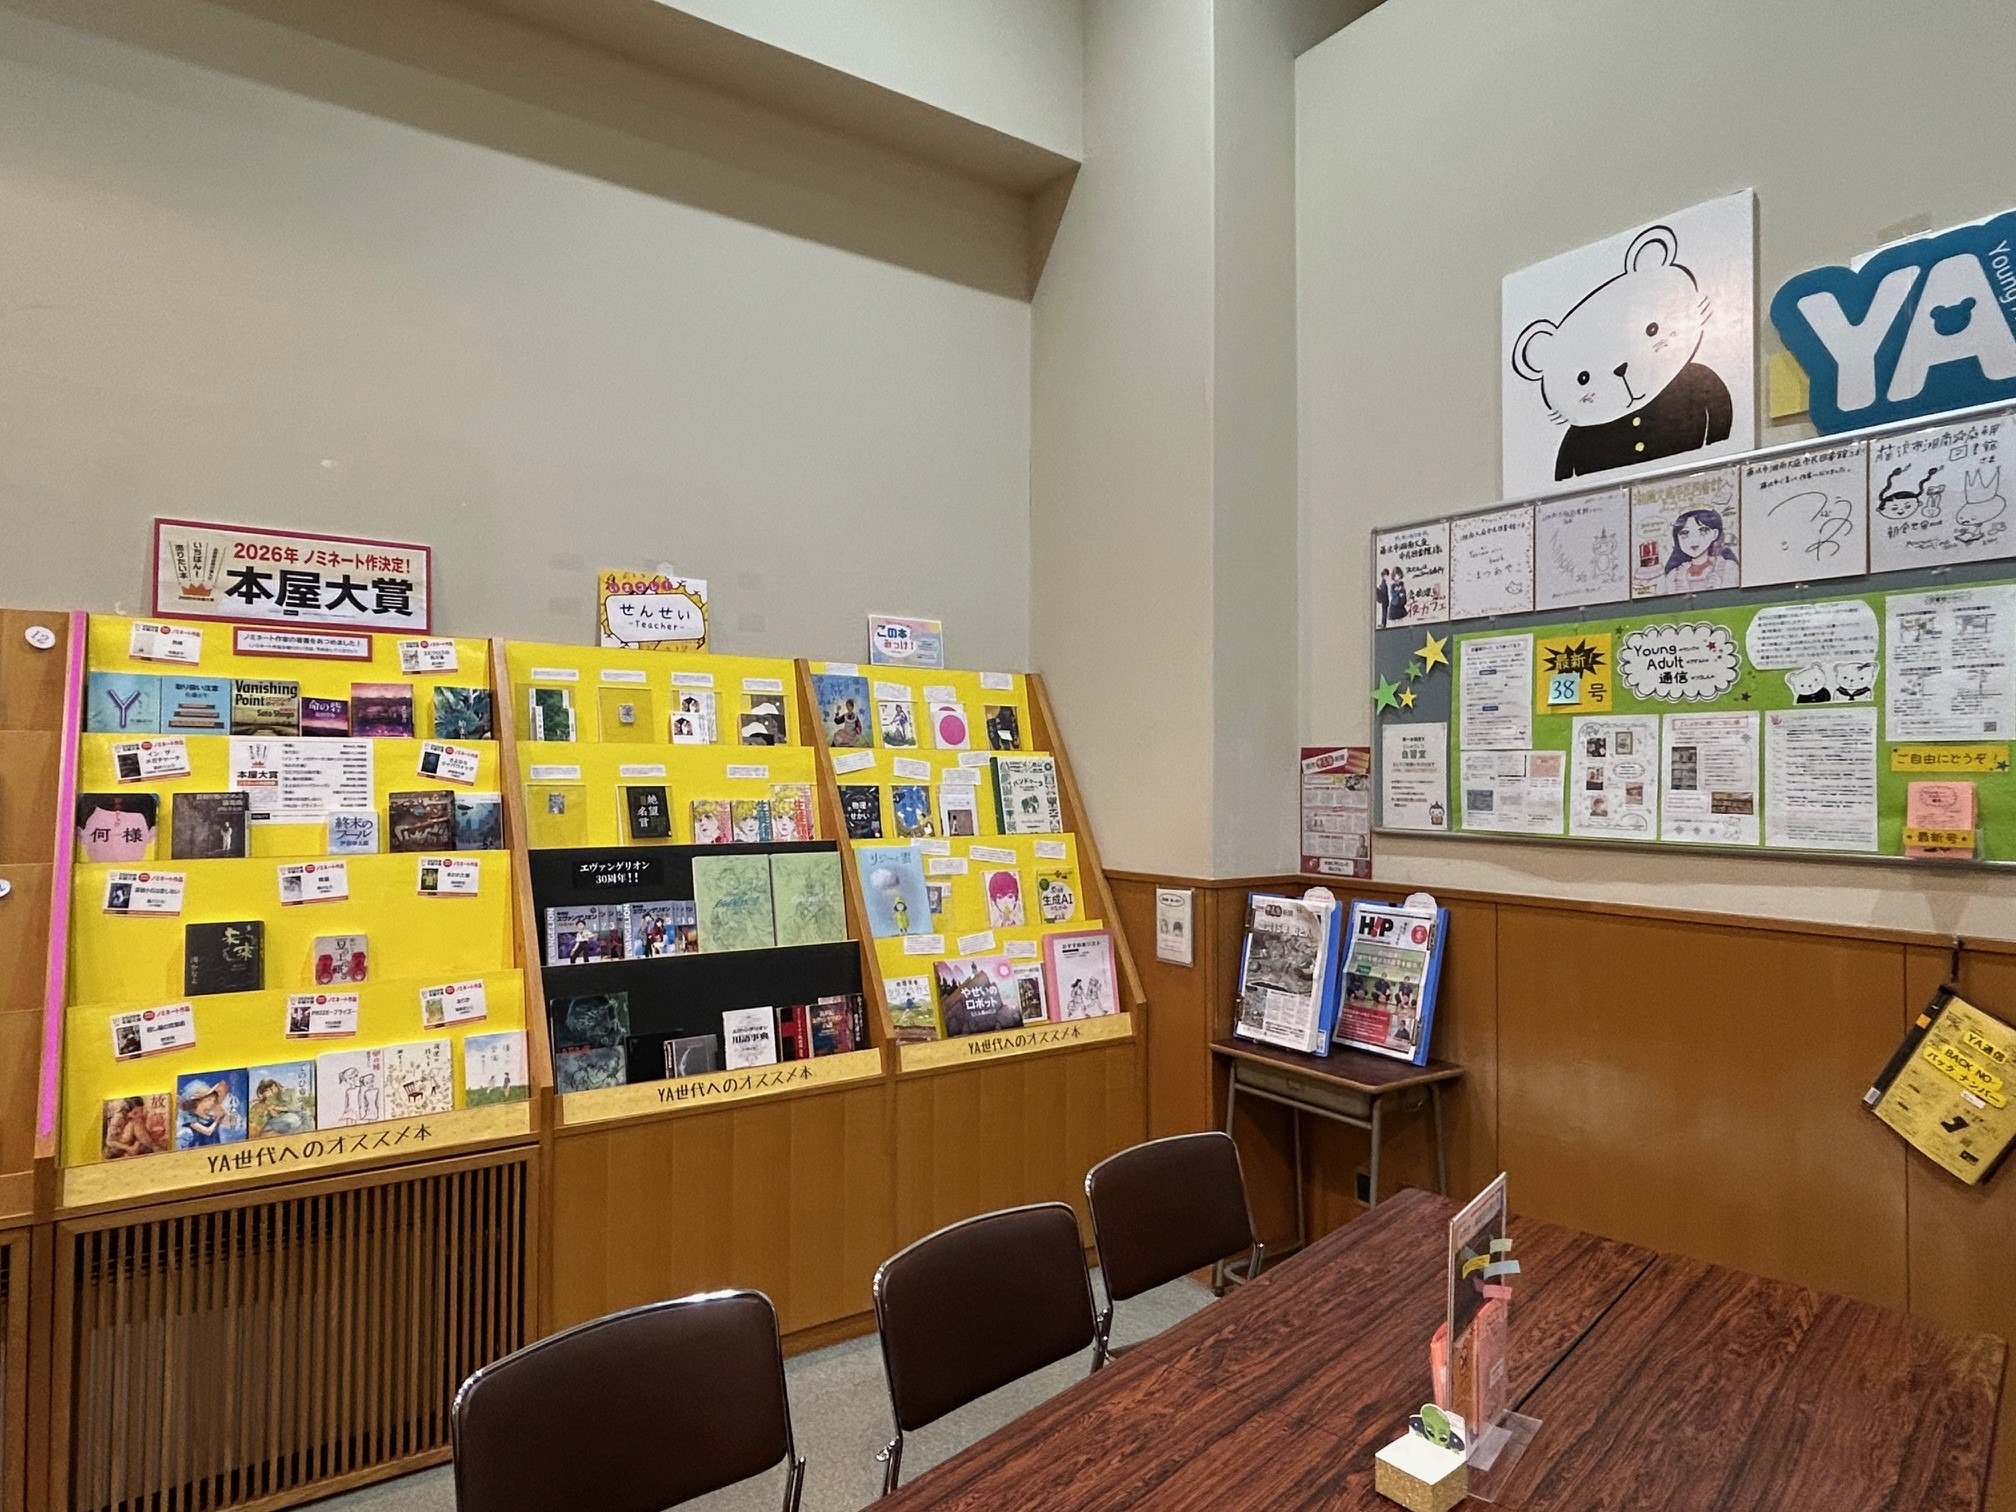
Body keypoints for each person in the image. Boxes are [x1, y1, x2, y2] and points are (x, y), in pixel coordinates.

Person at [1659, 507, 1740, 593]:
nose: (1693, 540)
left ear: (1715, 534)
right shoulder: (1673, 576)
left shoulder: (1727, 569)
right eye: (1685, 533)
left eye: (1703, 531)